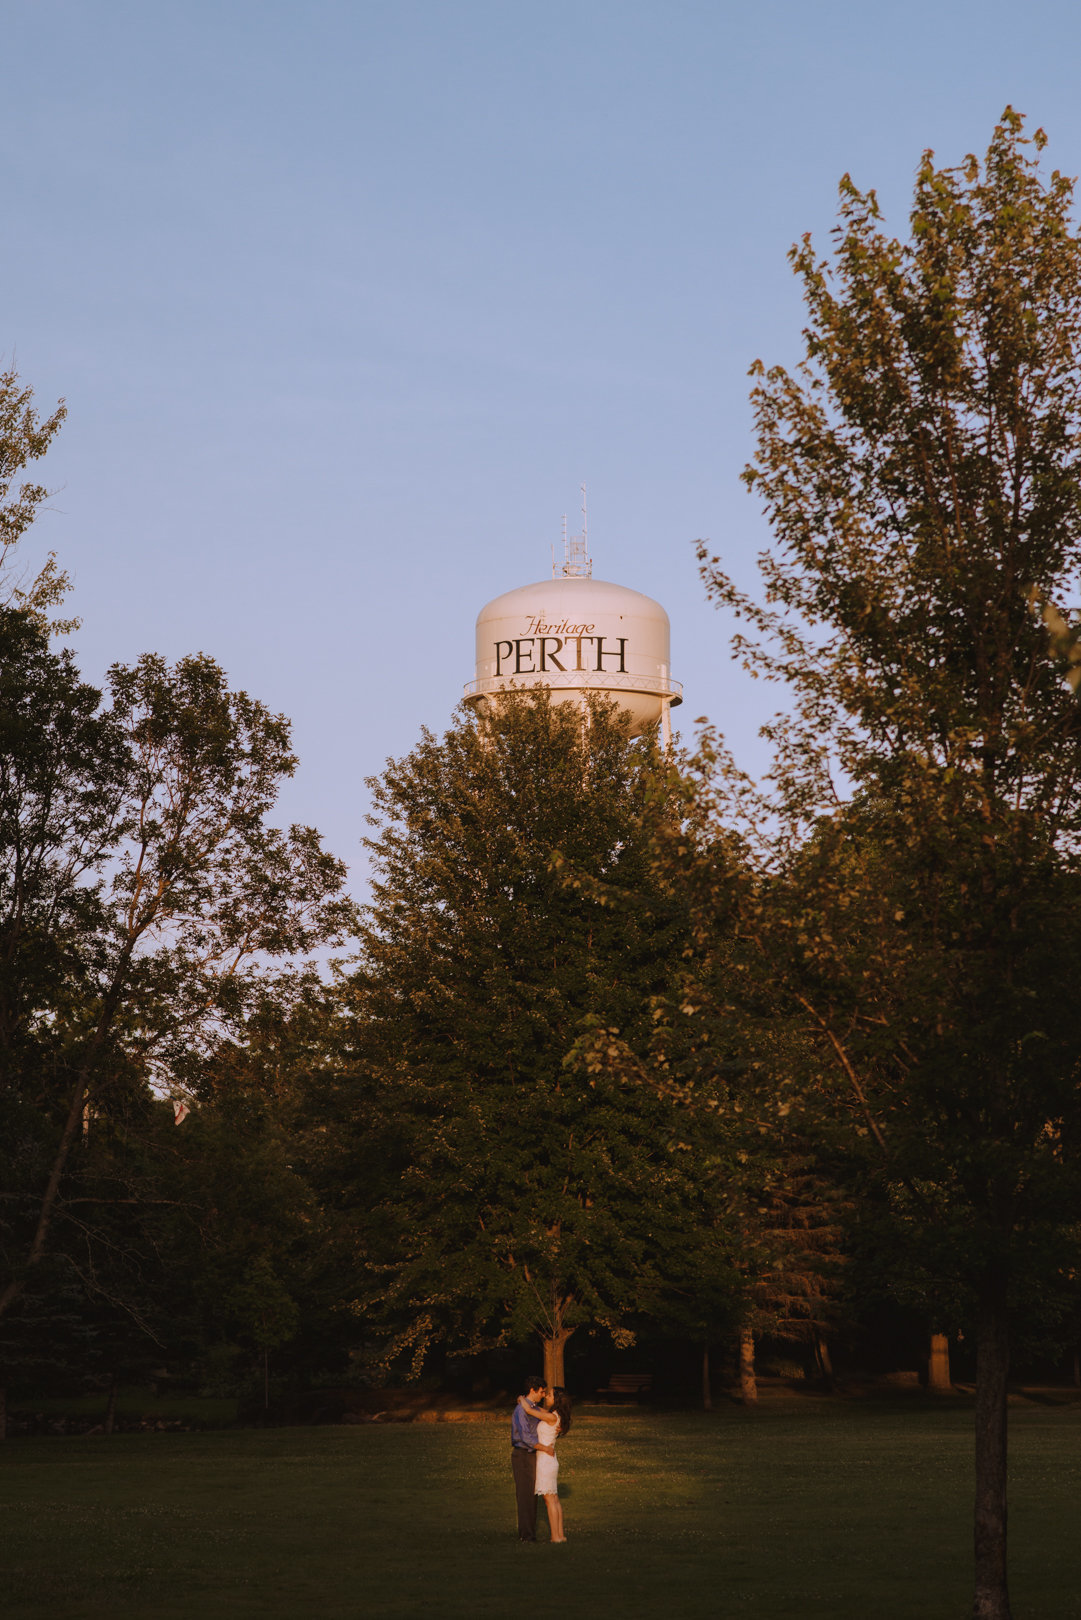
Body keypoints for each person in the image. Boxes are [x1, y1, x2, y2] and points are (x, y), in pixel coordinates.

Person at [517, 1386, 572, 1543]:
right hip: (549, 1459)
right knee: (554, 1499)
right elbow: (538, 1410)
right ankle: (560, 1535)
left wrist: (522, 1399)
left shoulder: (552, 1417)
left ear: (556, 1399)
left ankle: (555, 1536)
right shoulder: (554, 1415)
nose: (546, 1397)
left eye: (549, 1395)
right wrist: (532, 1404)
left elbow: (529, 1411)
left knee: (549, 1500)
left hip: (545, 1461)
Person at [511, 1376, 547, 1540]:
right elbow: (525, 1437)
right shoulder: (521, 1410)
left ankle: (529, 1532)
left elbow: (548, 1416)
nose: (544, 1395)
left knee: (531, 1494)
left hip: (532, 1455)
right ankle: (526, 1535)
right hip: (523, 1455)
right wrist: (545, 1448)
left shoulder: (533, 1408)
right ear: (533, 1390)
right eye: (542, 1391)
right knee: (525, 1495)